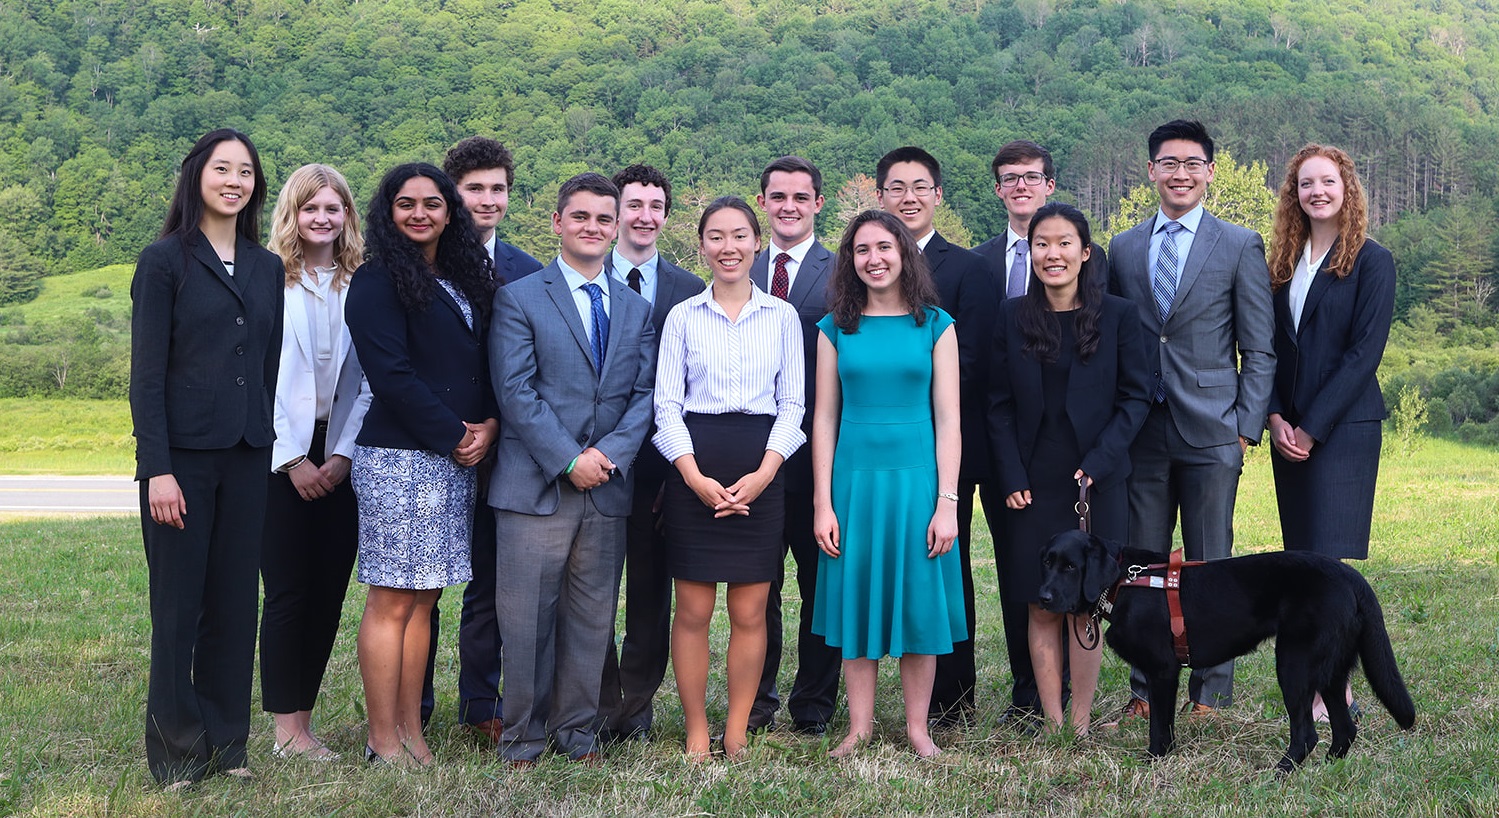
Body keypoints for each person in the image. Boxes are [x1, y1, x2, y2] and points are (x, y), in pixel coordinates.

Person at [130, 128, 283, 788]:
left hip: (248, 456)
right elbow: (147, 376)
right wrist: (157, 468)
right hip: (181, 463)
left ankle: (227, 746)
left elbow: (269, 363)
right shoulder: (164, 262)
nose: (234, 180)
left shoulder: (266, 266)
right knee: (179, 609)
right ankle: (175, 754)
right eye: (222, 168)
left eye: (245, 171)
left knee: (232, 606)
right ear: (197, 176)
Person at [1106, 120, 1274, 720]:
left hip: (1213, 429)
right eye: (1169, 163)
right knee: (1143, 565)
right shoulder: (1123, 248)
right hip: (1142, 432)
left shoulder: (1239, 243)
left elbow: (1259, 347)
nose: (1180, 173)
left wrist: (1246, 425)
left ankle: (1211, 690)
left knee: (1212, 564)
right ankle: (1145, 690)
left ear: (1210, 171)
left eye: (1192, 163)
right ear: (1150, 171)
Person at [487, 173, 656, 766]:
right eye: (580, 217)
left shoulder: (636, 308)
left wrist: (606, 459)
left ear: (616, 227)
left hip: (608, 487)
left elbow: (646, 393)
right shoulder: (521, 297)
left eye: (604, 219)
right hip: (536, 487)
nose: (593, 228)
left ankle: (577, 733)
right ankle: (523, 737)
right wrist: (568, 459)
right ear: (557, 223)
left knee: (591, 620)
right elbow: (515, 391)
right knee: (527, 620)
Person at [345, 162, 499, 767]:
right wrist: (453, 433)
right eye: (405, 204)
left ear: (449, 211)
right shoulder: (376, 280)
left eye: (432, 204)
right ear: (388, 213)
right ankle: (384, 739)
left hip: (452, 458)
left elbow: (476, 366)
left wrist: (486, 424)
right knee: (391, 600)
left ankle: (413, 732)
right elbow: (390, 374)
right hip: (399, 459)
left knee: (425, 600)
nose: (419, 213)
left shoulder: (461, 274)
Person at [987, 203, 1151, 736]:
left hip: (1096, 480)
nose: (1051, 254)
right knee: (1040, 601)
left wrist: (1098, 465)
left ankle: (1080, 721)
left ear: (1085, 253)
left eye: (1063, 244)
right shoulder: (1011, 316)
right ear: (1029, 252)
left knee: (1085, 606)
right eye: (1041, 244)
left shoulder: (1121, 317)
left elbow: (1136, 398)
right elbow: (998, 403)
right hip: (1031, 484)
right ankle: (1052, 717)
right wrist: (1010, 475)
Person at [654, 196, 805, 760]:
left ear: (757, 243)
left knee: (749, 611)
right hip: (695, 467)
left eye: (740, 235)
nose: (729, 247)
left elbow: (793, 405)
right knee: (692, 611)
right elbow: (666, 406)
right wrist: (691, 476)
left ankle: (737, 728)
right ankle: (696, 728)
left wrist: (767, 473)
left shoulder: (782, 316)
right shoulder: (683, 317)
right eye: (716, 237)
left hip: (761, 469)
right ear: (701, 247)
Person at [811, 209, 966, 759]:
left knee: (919, 603)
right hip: (854, 485)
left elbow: (949, 418)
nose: (873, 259)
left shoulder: (937, 325)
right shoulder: (835, 328)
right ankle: (860, 727)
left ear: (904, 254)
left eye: (884, 247)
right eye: (861, 250)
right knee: (859, 601)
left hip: (916, 483)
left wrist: (946, 502)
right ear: (850, 261)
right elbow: (824, 419)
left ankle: (918, 728)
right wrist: (822, 502)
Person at [417, 136, 544, 738]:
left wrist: (494, 425)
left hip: (502, 449)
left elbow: (525, 367)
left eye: (497, 189)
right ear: (451, 195)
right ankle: (412, 706)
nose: (487, 200)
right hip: (429, 443)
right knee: (422, 584)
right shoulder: (421, 259)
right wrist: (450, 429)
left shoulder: (529, 270)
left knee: (489, 584)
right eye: (475, 189)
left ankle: (480, 707)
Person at [1265, 144, 1396, 720]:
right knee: (1303, 563)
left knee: (1329, 565)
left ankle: (1335, 690)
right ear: (1293, 194)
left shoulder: (1372, 260)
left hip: (1341, 430)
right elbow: (1265, 348)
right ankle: (1320, 685)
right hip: (1287, 430)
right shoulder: (1283, 262)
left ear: (1348, 188)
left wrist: (1312, 429)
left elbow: (1364, 354)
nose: (1316, 191)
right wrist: (1273, 417)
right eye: (1305, 183)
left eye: (1328, 181)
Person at [874, 147, 998, 726]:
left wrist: (916, 404)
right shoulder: (865, 264)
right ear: (880, 197)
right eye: (896, 187)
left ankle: (952, 699)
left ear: (938, 195)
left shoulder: (969, 268)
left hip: (945, 442)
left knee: (945, 561)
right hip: (875, 445)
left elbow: (973, 357)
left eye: (920, 186)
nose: (908, 197)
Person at [259, 163, 371, 761]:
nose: (322, 218)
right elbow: (257, 377)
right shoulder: (266, 280)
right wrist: (292, 458)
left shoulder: (363, 284)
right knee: (287, 593)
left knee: (328, 592)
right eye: (311, 208)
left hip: (345, 456)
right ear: (292, 215)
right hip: (281, 459)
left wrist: (344, 455)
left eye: (333, 208)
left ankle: (305, 721)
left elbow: (371, 379)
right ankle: (284, 729)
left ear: (347, 216)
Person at [599, 164, 706, 743]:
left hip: (663, 472)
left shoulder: (690, 290)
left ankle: (634, 711)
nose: (644, 216)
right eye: (633, 204)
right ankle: (596, 703)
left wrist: (681, 472)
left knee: (647, 598)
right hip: (591, 467)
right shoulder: (583, 278)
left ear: (667, 215)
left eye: (655, 206)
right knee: (591, 596)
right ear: (615, 212)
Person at [748, 156, 840, 735]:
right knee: (758, 586)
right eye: (778, 196)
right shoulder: (737, 264)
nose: (789, 206)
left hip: (817, 456)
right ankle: (757, 700)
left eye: (800, 197)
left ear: (817, 204)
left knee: (818, 585)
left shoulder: (843, 273)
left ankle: (813, 705)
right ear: (763, 202)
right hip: (750, 455)